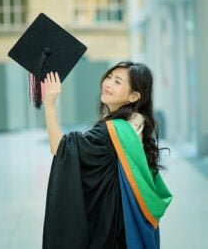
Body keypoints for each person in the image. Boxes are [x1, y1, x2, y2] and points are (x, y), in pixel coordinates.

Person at [42, 61, 173, 249]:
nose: (108, 83)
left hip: (112, 224)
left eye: (118, 82)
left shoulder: (110, 132)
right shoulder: (137, 123)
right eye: (109, 77)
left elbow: (61, 148)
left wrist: (50, 105)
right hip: (126, 223)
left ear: (134, 96)